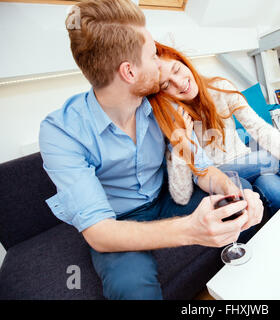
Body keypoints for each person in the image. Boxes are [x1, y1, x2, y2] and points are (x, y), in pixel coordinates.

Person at [38, 0, 263, 300]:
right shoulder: (62, 131)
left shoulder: (161, 104)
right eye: (153, 55)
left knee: (237, 194)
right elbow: (99, 232)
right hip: (117, 222)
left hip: (165, 199)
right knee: (131, 287)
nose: (160, 63)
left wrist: (229, 188)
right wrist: (191, 230)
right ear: (129, 72)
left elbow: (202, 169)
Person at [147, 42, 280, 215]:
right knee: (273, 158)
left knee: (272, 187)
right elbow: (182, 191)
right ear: (161, 93)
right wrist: (183, 141)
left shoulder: (220, 88)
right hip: (217, 174)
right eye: (166, 85)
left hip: (247, 160)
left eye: (177, 70)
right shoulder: (174, 117)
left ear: (184, 62)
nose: (179, 83)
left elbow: (258, 127)